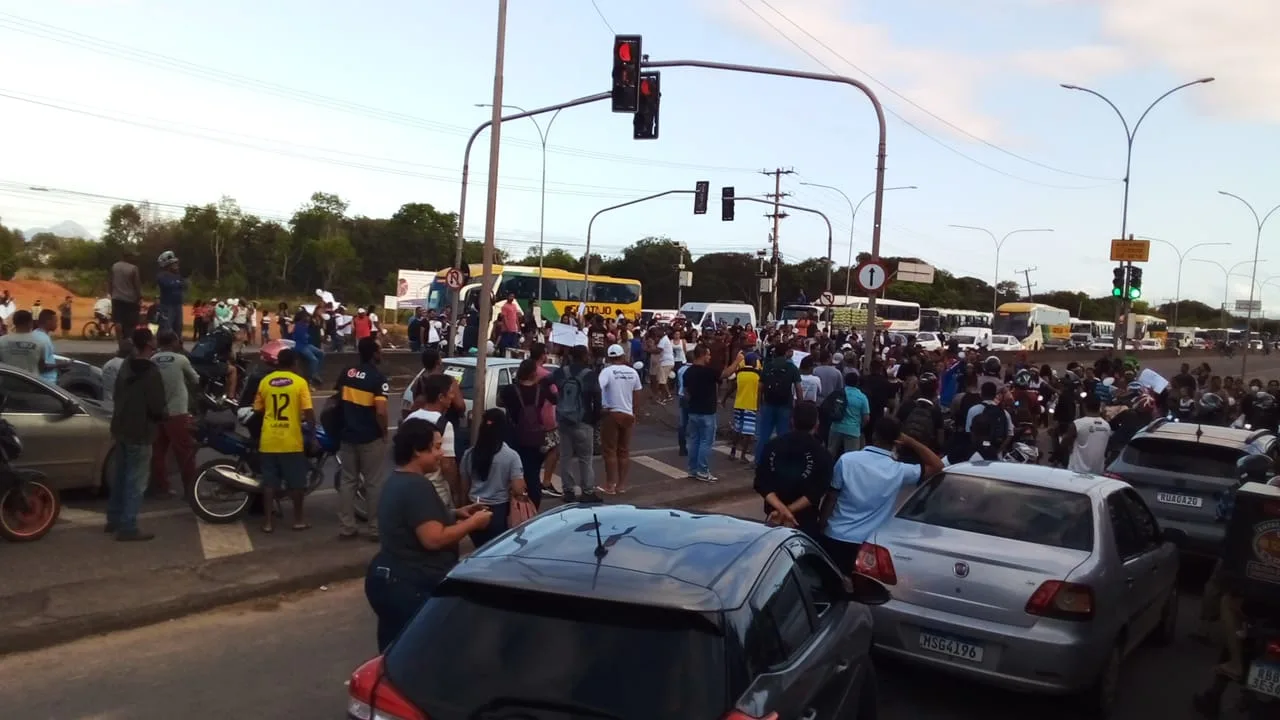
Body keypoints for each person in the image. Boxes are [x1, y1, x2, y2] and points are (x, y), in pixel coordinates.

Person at [364, 418, 492, 652]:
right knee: (416, 651)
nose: (441, 453)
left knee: (393, 648)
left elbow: (415, 520)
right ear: (416, 450)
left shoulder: (397, 480)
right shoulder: (416, 487)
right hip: (409, 583)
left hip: (388, 577)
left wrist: (455, 514)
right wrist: (473, 523)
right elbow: (434, 539)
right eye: (435, 447)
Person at [819, 416, 945, 575]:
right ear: (896, 440)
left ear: (874, 436)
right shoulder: (899, 470)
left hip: (836, 535)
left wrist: (822, 525)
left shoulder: (847, 460)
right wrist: (909, 440)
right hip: (868, 543)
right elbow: (937, 465)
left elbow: (831, 498)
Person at [107, 328, 167, 541]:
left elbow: (116, 393)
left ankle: (113, 518)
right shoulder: (152, 372)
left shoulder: (125, 366)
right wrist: (160, 419)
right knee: (136, 481)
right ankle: (128, 526)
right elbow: (157, 405)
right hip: (141, 430)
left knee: (121, 476)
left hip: (121, 427)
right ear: (150, 345)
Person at [251, 348, 315, 533]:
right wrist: (311, 433)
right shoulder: (299, 382)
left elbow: (257, 409)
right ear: (294, 363)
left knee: (270, 484)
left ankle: (268, 523)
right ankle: (298, 520)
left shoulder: (265, 381)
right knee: (297, 484)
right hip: (291, 440)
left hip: (269, 439)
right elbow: (309, 412)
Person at [334, 337, 390, 540]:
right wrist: (384, 431)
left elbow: (337, 400)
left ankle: (347, 527)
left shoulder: (347, 372)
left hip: (348, 435)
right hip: (370, 437)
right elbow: (381, 411)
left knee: (348, 481)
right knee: (373, 483)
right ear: (374, 353)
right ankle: (375, 529)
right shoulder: (378, 379)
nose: (381, 353)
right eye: (380, 350)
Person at [754, 401, 831, 538]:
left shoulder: (772, 445)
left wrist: (781, 510)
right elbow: (817, 491)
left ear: (792, 421)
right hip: (804, 524)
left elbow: (761, 483)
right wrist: (787, 511)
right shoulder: (822, 453)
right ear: (816, 424)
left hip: (774, 519)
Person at [460, 408, 527, 547]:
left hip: (474, 510)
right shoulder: (511, 456)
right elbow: (518, 489)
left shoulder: (469, 454)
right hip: (499, 512)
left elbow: (464, 486)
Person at [150, 329, 199, 497]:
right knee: (185, 453)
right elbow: (196, 380)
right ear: (172, 342)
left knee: (158, 453)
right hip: (178, 413)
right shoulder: (181, 359)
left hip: (157, 413)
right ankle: (190, 490)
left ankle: (162, 487)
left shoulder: (152, 360)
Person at [549, 344, 601, 503]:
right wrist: (594, 419)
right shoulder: (590, 375)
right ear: (585, 356)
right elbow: (597, 398)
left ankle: (568, 490)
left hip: (564, 419)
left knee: (565, 457)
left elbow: (546, 383)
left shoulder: (561, 372)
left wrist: (555, 401)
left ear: (571, 356)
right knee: (585, 458)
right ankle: (588, 490)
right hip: (583, 420)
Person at [499, 358, 553, 508]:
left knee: (513, 474)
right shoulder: (540, 391)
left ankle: (516, 507)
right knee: (533, 475)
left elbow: (500, 402)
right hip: (535, 438)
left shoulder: (510, 390)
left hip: (514, 437)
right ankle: (533, 507)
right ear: (533, 373)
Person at [405, 373, 462, 512]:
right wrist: (456, 491)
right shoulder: (444, 425)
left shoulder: (410, 418)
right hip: (436, 492)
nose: (453, 397)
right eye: (450, 393)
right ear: (441, 398)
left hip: (411, 488)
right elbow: (448, 465)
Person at [598, 344, 643, 494]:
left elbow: (599, 387)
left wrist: (602, 406)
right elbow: (637, 394)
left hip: (611, 413)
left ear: (609, 357)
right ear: (623, 356)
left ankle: (610, 485)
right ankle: (621, 485)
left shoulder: (607, 372)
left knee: (610, 451)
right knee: (624, 451)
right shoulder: (633, 372)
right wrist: (634, 412)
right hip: (628, 413)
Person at [755, 344, 803, 464]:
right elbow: (798, 388)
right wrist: (799, 406)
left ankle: (759, 461)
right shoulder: (791, 368)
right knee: (783, 435)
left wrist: (758, 404)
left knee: (764, 435)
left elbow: (760, 387)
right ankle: (782, 461)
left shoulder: (768, 365)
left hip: (768, 404)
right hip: (785, 405)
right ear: (786, 352)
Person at [682, 344, 721, 482]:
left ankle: (692, 470)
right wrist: (737, 361)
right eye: (708, 354)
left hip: (693, 410)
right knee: (706, 442)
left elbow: (685, 392)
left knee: (694, 441)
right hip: (707, 412)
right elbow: (725, 374)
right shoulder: (708, 372)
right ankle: (703, 471)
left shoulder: (688, 372)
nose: (710, 357)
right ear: (703, 355)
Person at [726, 351, 762, 461]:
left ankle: (733, 451)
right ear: (754, 362)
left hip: (739, 403)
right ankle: (743, 455)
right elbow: (760, 391)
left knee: (737, 428)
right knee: (748, 432)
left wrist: (724, 399)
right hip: (750, 405)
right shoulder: (757, 375)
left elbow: (733, 387)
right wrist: (759, 405)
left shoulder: (740, 373)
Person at [1063, 395, 1111, 474]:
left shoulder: (1077, 424)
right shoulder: (1107, 426)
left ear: (1084, 406)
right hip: (1097, 472)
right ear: (1099, 406)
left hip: (1076, 471)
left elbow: (1064, 443)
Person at [827, 371, 871, 456]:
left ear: (845, 381)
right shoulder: (862, 397)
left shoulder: (838, 393)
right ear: (857, 383)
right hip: (853, 430)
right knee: (851, 457)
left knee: (830, 453)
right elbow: (866, 418)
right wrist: (860, 426)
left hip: (836, 427)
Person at [109, 249, 143, 345]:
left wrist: (111, 294)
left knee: (118, 321)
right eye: (133, 256)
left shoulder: (114, 266)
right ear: (128, 257)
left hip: (116, 298)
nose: (134, 258)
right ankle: (129, 342)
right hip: (130, 299)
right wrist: (139, 297)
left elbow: (110, 281)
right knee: (130, 323)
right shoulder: (133, 268)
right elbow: (136, 284)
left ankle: (120, 344)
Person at [0, 310, 43, 377]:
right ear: (30, 323)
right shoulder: (39, 341)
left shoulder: (2, 340)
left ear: (14, 322)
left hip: (8, 382)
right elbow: (41, 365)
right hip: (32, 382)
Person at [155, 250, 186, 337]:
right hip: (167, 306)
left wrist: (177, 283)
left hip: (177, 304)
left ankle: (178, 346)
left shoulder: (178, 276)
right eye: (174, 263)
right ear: (167, 265)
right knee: (167, 328)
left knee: (179, 326)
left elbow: (183, 285)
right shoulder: (161, 275)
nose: (176, 265)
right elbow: (169, 285)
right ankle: (164, 347)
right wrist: (177, 283)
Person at [33, 309, 67, 385]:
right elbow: (42, 367)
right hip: (46, 383)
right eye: (55, 322)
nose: (57, 324)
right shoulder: (44, 340)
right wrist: (60, 365)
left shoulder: (36, 334)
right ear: (48, 322)